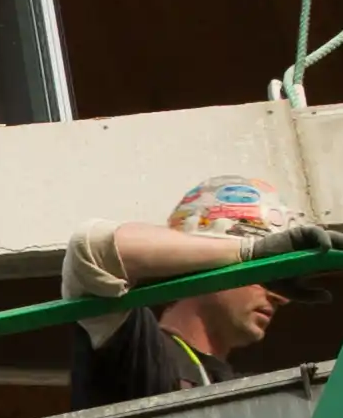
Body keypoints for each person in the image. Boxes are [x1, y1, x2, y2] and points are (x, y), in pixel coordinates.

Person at [63, 171, 299, 405]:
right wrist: (248, 251)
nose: (280, 297)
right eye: (263, 271)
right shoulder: (137, 349)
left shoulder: (238, 389)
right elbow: (90, 248)